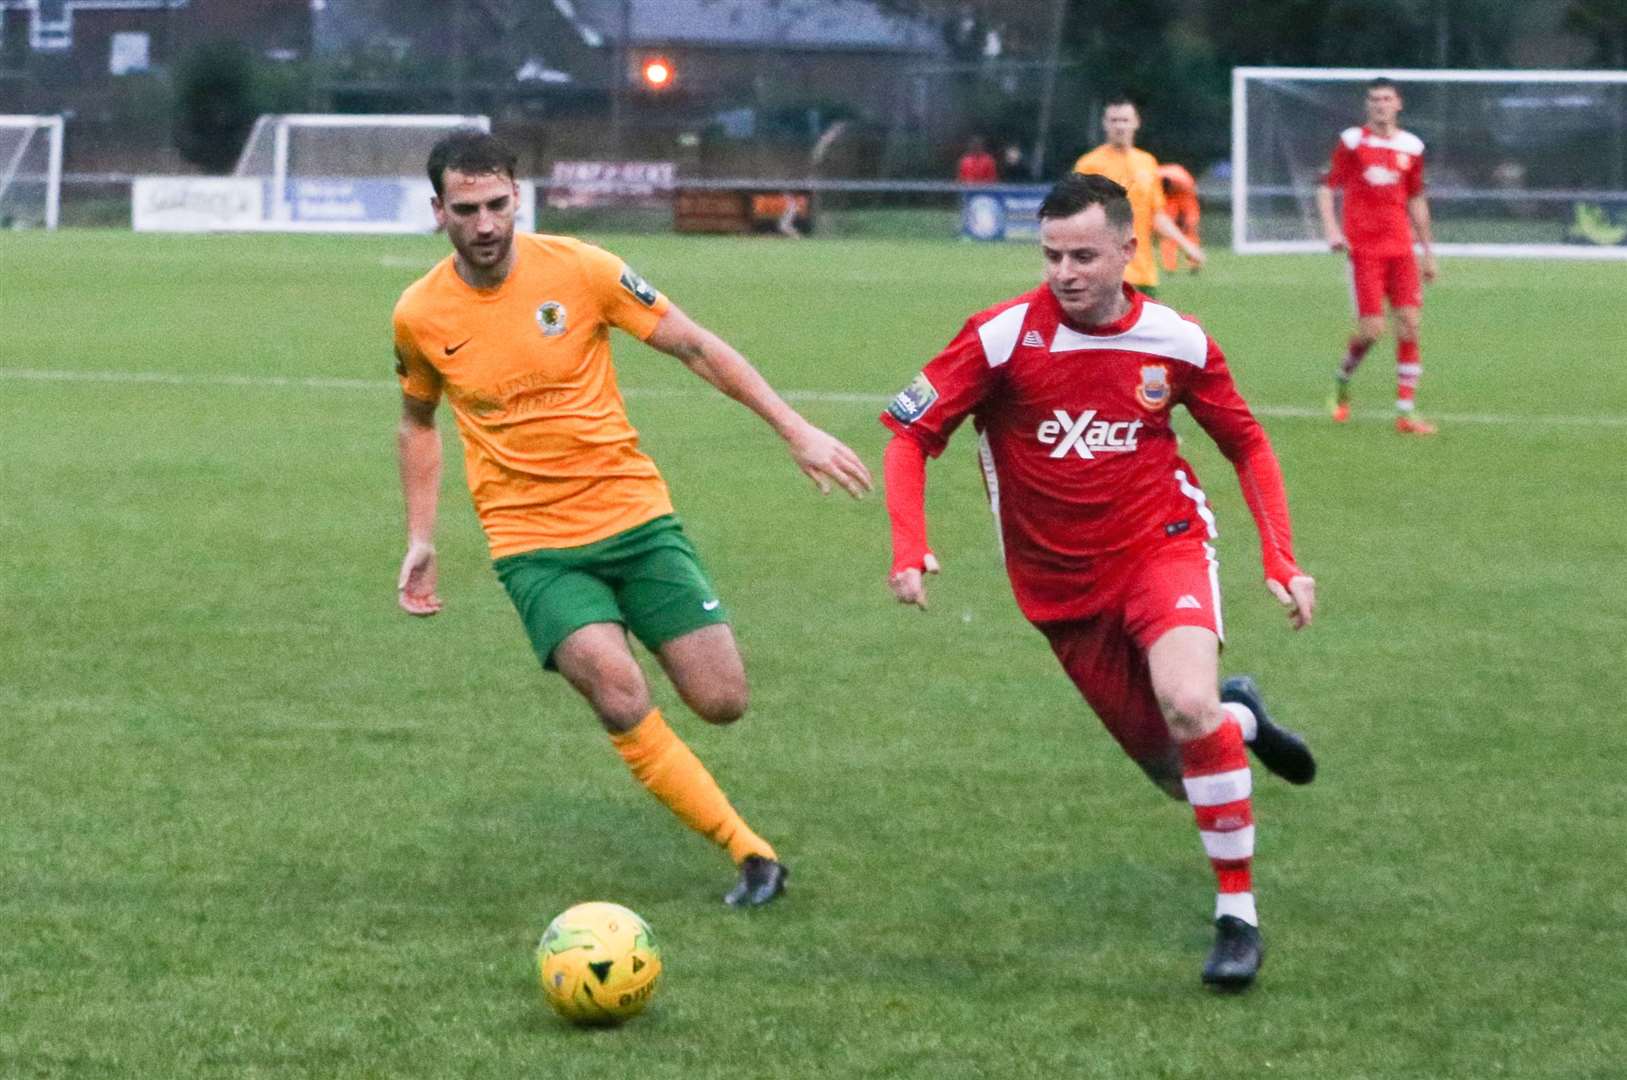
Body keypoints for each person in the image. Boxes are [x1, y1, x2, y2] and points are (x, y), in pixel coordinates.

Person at [392, 131, 873, 908]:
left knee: (722, 700)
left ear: (518, 195)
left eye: (496, 205)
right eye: (465, 209)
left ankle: (729, 812)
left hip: (635, 517)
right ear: (438, 209)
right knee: (617, 692)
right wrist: (421, 535)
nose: (483, 225)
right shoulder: (419, 314)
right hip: (533, 545)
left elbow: (694, 345)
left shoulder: (583, 270)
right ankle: (750, 853)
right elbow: (417, 420)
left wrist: (796, 428)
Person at [879, 172, 1317, 990]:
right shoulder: (1000, 338)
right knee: (1180, 771)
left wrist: (1280, 557)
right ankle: (1243, 721)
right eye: (1050, 256)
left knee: (1185, 706)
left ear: (1127, 249)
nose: (1065, 272)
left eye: (1083, 254)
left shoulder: (1177, 341)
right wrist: (910, 545)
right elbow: (908, 435)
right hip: (1057, 589)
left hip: (1162, 544)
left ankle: (1236, 917)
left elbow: (1246, 443)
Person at [1315, 77, 1439, 435]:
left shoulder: (1412, 147)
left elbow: (1416, 198)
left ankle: (1406, 413)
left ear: (1398, 104)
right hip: (1364, 250)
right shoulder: (1353, 142)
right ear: (1367, 105)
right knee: (1372, 330)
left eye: (1387, 99)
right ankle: (1342, 379)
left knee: (1411, 324)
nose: (1380, 105)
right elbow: (1326, 187)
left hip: (1401, 249)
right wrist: (1332, 231)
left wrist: (1428, 252)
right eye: (1374, 99)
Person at [1072, 98, 1205, 295]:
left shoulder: (1147, 162)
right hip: (1104, 274)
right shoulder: (1089, 165)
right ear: (1105, 124)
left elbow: (1157, 216)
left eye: (1125, 120)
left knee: (1151, 325)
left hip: (1143, 273)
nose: (1119, 126)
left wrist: (1186, 245)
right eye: (1114, 120)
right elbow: (1075, 216)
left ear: (1136, 123)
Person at [1157, 162, 1202, 274]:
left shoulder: (1183, 181)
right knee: (1167, 234)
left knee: (1190, 228)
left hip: (1186, 196)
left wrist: (1185, 219)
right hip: (1168, 199)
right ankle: (1169, 266)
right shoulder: (1156, 178)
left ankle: (1194, 263)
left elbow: (1192, 197)